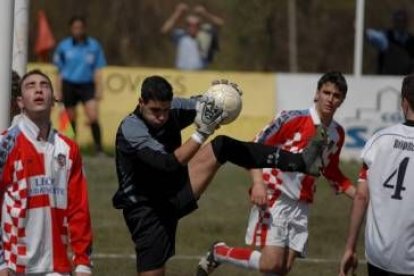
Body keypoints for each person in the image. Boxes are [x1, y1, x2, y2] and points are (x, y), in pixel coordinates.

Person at [112, 76, 327, 276]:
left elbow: (205, 106)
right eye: (154, 111)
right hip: (146, 209)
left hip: (174, 189)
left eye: (165, 110)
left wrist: (220, 98)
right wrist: (201, 133)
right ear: (141, 103)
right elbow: (168, 163)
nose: (161, 117)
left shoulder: (173, 109)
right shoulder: (131, 128)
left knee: (223, 146)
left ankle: (301, 161)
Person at [197, 71, 356, 276]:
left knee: (282, 269)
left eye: (336, 96)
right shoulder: (292, 119)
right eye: (326, 93)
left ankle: (220, 253)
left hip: (302, 205)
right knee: (270, 264)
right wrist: (258, 183)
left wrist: (362, 196)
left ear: (342, 100)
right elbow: (253, 148)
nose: (330, 99)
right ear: (317, 94)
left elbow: (331, 170)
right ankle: (219, 252)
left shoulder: (337, 133)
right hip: (275, 195)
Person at [0, 69, 93, 275]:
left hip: (57, 265)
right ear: (20, 102)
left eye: (44, 85)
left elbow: (79, 208)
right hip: (15, 264)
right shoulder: (5, 144)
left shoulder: (69, 149)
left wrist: (83, 262)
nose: (38, 90)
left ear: (53, 100)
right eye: (30, 86)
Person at [339, 74, 414, 276]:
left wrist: (350, 247)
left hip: (378, 256)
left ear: (404, 102)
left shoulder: (379, 140)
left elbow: (361, 197)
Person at [53, 15, 107, 155]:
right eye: (75, 27)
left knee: (93, 115)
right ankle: (71, 148)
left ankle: (98, 149)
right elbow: (58, 71)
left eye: (80, 27)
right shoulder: (64, 46)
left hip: (87, 85)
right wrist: (58, 90)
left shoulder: (94, 46)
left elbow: (97, 69)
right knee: (70, 117)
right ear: (71, 29)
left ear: (84, 28)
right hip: (69, 84)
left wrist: (99, 88)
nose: (78, 30)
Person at [160, 2, 224, 70]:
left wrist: (204, 14)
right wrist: (178, 13)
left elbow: (220, 24)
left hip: (199, 73)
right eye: (189, 25)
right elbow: (164, 31)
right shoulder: (180, 36)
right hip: (181, 72)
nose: (192, 27)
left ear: (199, 25)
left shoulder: (204, 36)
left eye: (195, 25)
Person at [366, 9, 414, 75]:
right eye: (398, 21)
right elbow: (372, 35)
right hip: (386, 78)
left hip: (404, 77)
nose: (400, 24)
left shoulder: (411, 40)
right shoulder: (386, 36)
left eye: (402, 21)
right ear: (394, 22)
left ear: (406, 23)